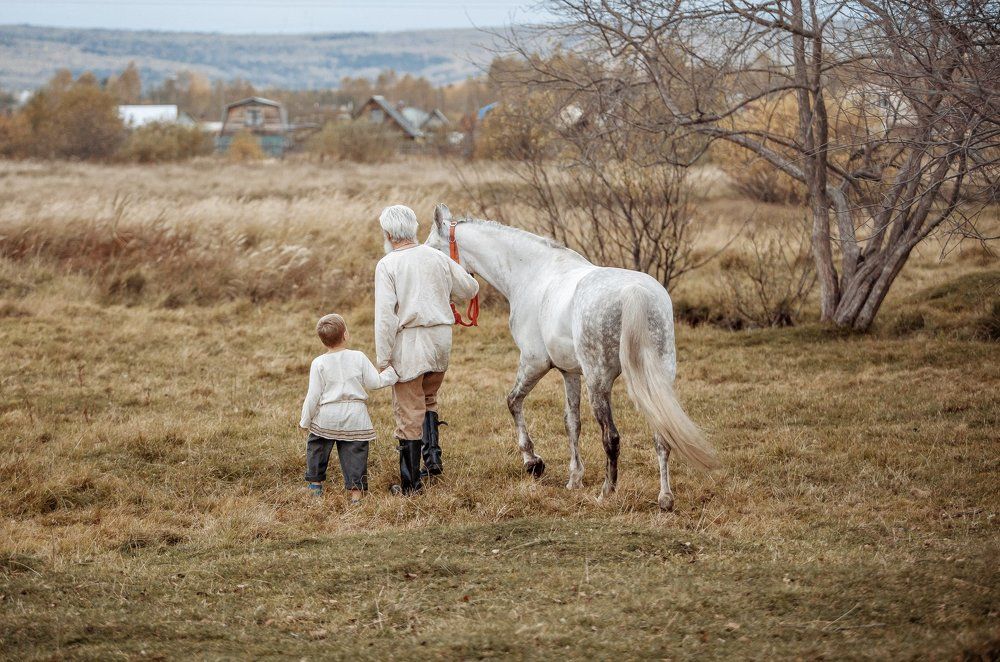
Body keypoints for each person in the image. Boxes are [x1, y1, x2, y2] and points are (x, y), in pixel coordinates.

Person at [374, 204, 479, 495]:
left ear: (388, 233)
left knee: (408, 410)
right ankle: (432, 459)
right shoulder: (435, 256)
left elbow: (385, 317)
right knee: (429, 397)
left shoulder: (388, 264)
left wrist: (383, 360)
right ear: (413, 228)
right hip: (440, 341)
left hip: (410, 343)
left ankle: (410, 485)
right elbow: (470, 289)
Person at [299, 313, 397, 503]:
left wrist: (305, 420)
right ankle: (356, 495)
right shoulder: (358, 357)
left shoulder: (318, 363)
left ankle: (315, 486)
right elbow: (375, 382)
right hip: (355, 415)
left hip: (327, 415)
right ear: (345, 335)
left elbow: (313, 396)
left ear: (322, 341)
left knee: (317, 446)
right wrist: (392, 373)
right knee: (355, 452)